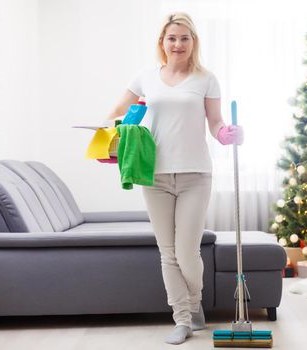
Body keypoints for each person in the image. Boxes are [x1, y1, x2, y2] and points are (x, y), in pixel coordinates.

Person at [105, 12, 243, 345]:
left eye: (184, 38)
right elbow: (114, 116)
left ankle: (195, 301)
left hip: (196, 173)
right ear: (162, 42)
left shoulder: (206, 79)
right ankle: (182, 318)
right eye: (172, 38)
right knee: (167, 252)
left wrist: (226, 134)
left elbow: (214, 123)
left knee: (186, 252)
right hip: (154, 175)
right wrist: (119, 133)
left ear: (193, 42)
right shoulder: (145, 78)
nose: (178, 43)